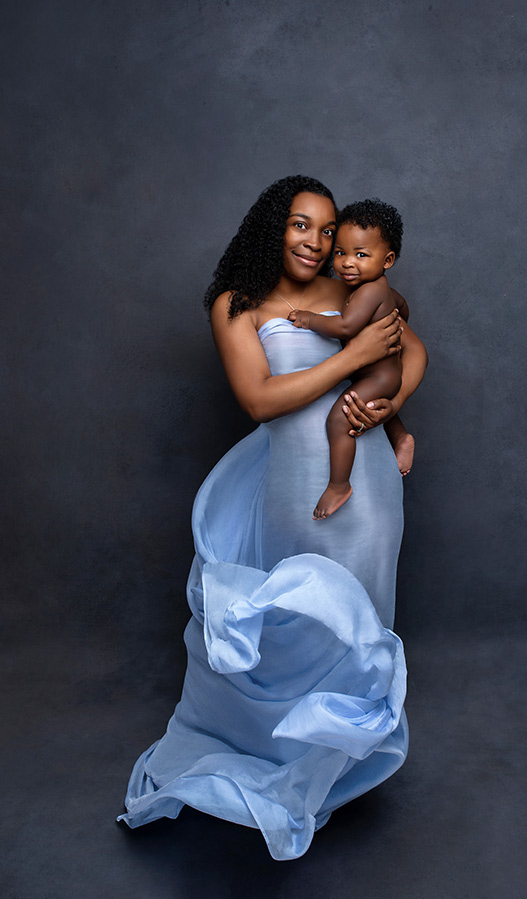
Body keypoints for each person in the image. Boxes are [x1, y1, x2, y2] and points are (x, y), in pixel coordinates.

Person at [117, 175, 428, 861]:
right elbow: (259, 399)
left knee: (359, 620)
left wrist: (389, 407)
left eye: (327, 229)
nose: (316, 241)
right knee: (299, 619)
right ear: (272, 226)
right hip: (297, 487)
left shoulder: (350, 289)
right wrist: (352, 359)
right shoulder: (238, 304)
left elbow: (413, 350)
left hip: (370, 485)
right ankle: (283, 754)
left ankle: (336, 763)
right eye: (300, 224)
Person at [288, 198, 415, 519]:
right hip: (376, 373)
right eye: (341, 253)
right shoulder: (379, 288)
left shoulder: (369, 291)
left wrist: (308, 319)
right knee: (370, 407)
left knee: (339, 420)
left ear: (387, 260)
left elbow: (345, 326)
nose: (346, 263)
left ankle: (339, 485)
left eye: (361, 255)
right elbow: (402, 304)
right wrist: (398, 314)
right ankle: (400, 437)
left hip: (379, 376)